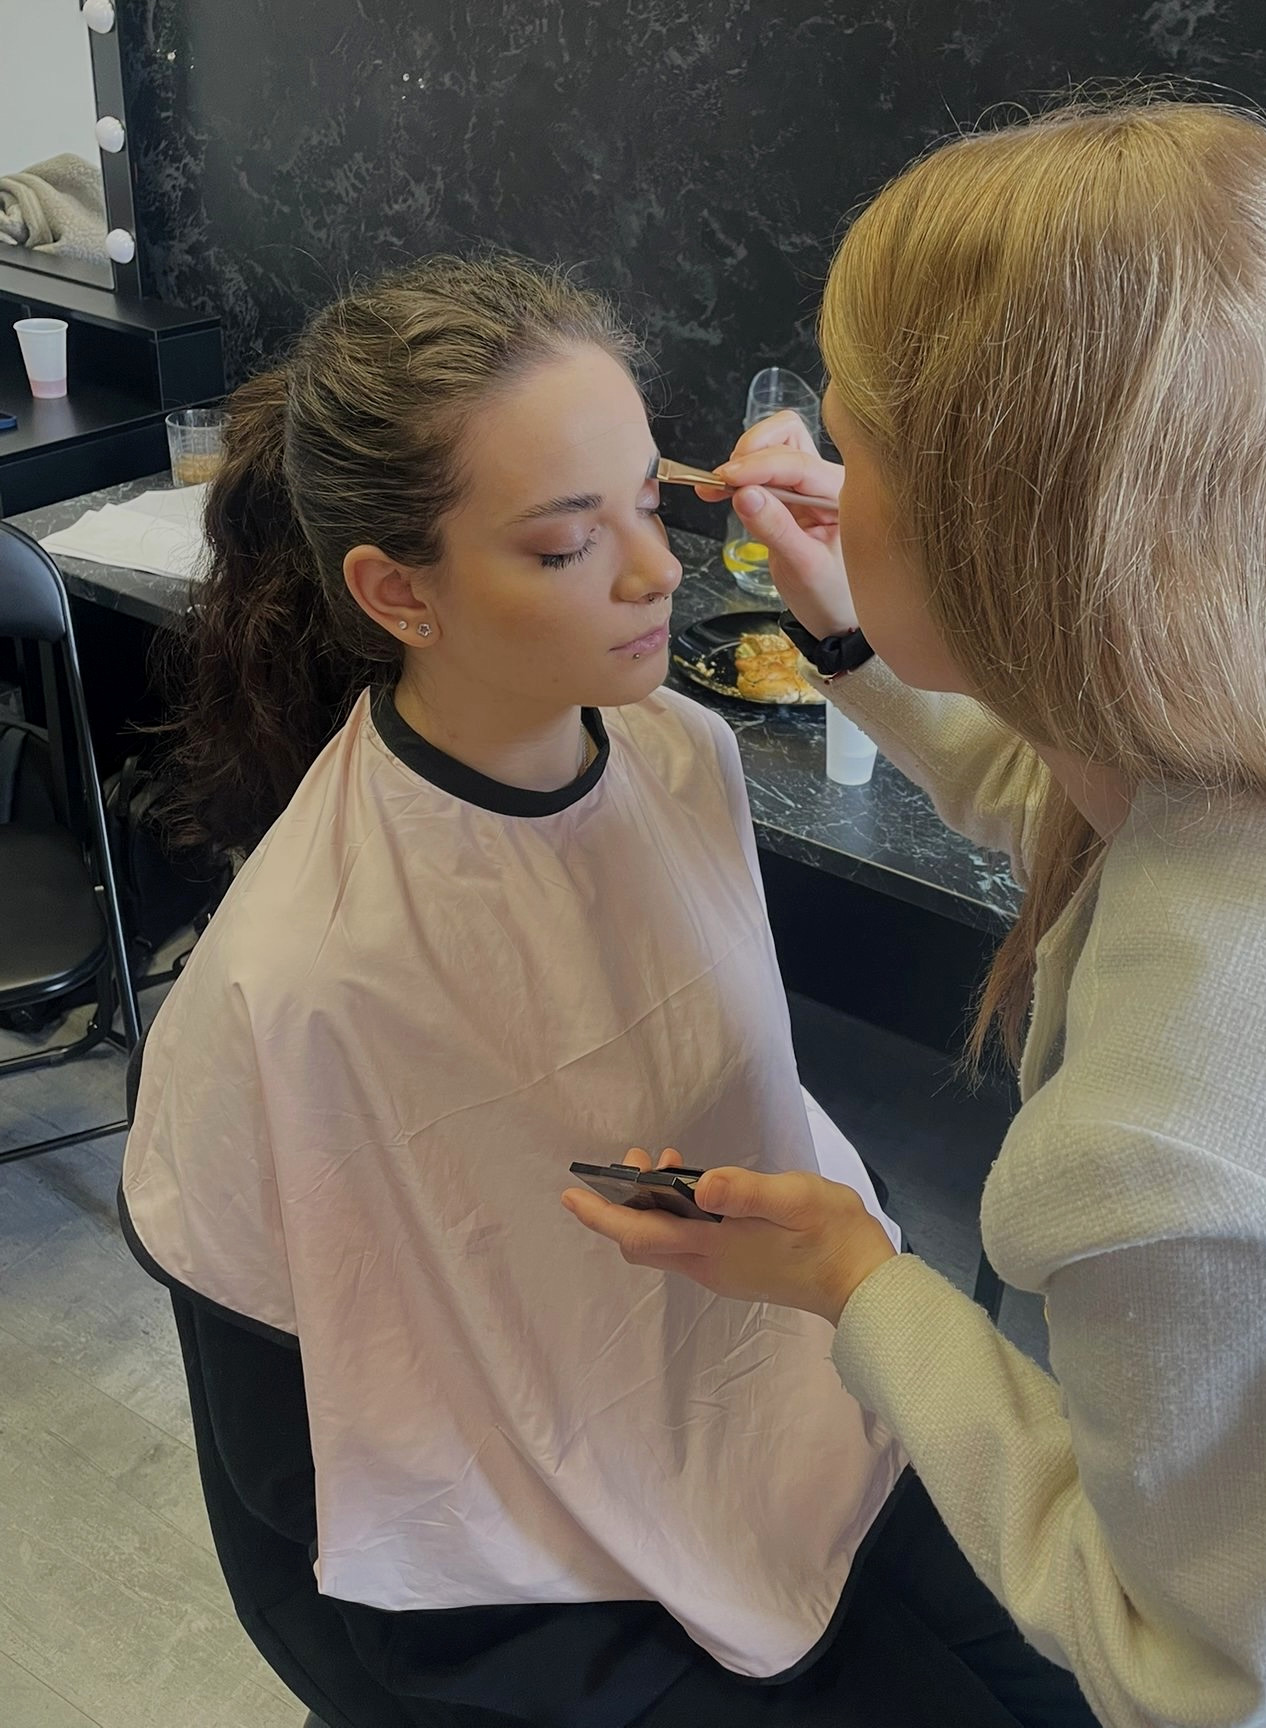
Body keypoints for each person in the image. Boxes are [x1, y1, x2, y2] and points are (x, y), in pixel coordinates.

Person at [120, 256, 1091, 1727]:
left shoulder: (682, 753)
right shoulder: (302, 973)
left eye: (652, 500)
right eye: (570, 544)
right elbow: (299, 1455)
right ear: (397, 592)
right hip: (542, 1548)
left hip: (792, 1380)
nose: (658, 571)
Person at [565, 98, 1266, 1728]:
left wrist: (856, 1282)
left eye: (853, 444)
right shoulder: (1200, 745)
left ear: (997, 528)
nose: (815, 472)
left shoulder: (1157, 1151)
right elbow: (1080, 806)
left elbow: (1187, 1672)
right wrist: (848, 616)